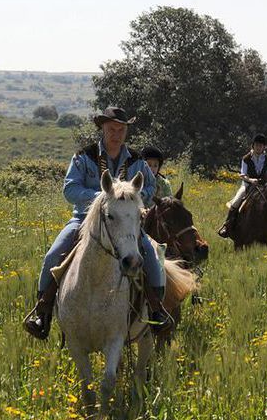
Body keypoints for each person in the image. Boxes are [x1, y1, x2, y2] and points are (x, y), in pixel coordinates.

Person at [24, 107, 168, 340]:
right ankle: (43, 313)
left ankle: (157, 311)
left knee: (152, 256)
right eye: (112, 129)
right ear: (103, 128)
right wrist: (102, 199)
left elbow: (151, 187)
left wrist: (133, 199)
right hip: (85, 220)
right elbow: (70, 189)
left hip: (125, 223)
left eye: (121, 129)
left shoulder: (137, 160)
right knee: (53, 255)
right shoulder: (84, 156)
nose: (117, 134)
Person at [218, 134, 267, 238]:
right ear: (253, 146)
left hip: (264, 186)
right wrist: (250, 180)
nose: (259, 147)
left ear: (264, 147)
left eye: (261, 145)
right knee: (236, 202)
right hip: (247, 185)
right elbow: (242, 174)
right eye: (257, 145)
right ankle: (227, 225)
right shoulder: (246, 158)